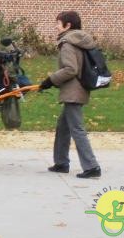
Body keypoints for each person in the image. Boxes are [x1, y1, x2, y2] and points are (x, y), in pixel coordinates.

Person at [39, 11, 101, 179]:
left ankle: (92, 166)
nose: (56, 26)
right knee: (63, 127)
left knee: (77, 129)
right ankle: (61, 163)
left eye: (58, 23)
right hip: (80, 88)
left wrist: (50, 80)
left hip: (73, 91)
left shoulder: (68, 43)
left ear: (68, 26)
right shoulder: (80, 40)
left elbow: (70, 69)